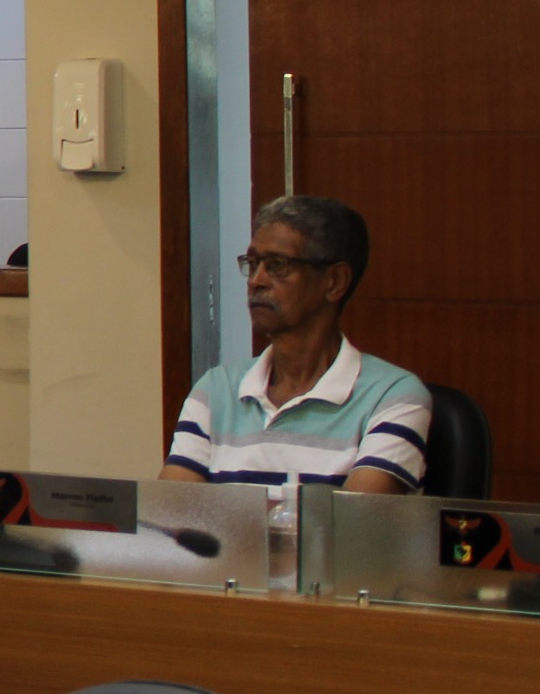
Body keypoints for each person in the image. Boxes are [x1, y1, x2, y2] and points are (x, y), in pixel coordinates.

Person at [163, 195, 429, 498]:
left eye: (277, 265)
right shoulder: (216, 388)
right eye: (252, 264)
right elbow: (172, 514)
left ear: (334, 282)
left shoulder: (393, 396)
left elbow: (351, 527)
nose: (256, 281)